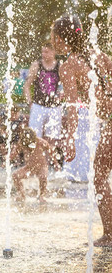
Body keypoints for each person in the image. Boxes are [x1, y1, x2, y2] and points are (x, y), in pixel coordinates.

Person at [51, 15, 112, 246]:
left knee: (99, 176)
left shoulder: (68, 66)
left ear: (58, 38)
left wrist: (70, 139)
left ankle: (110, 234)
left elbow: (73, 107)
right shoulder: (98, 54)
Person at [24, 42, 63, 149]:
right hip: (38, 105)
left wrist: (61, 95)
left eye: (46, 52)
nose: (43, 54)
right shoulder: (37, 65)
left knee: (53, 137)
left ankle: (50, 161)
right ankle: (37, 161)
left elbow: (65, 86)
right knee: (34, 136)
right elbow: (27, 85)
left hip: (54, 107)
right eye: (42, 51)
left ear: (54, 52)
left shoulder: (59, 66)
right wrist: (30, 102)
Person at [12, 128, 60, 204]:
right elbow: (14, 153)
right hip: (29, 168)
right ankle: (21, 194)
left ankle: (41, 195)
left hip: (41, 166)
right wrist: (8, 159)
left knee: (43, 177)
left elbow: (51, 151)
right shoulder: (21, 143)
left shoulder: (41, 142)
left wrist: (56, 163)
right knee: (15, 176)